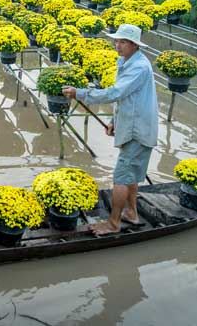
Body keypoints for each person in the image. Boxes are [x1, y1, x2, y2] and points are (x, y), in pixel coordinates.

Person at [61, 23, 158, 236]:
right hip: (132, 123)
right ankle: (131, 213)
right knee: (130, 173)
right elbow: (126, 99)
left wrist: (81, 93)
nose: (117, 45)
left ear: (134, 45)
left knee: (121, 177)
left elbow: (115, 92)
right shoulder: (126, 62)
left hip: (138, 129)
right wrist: (115, 121)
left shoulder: (139, 67)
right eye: (116, 40)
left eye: (123, 42)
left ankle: (113, 223)